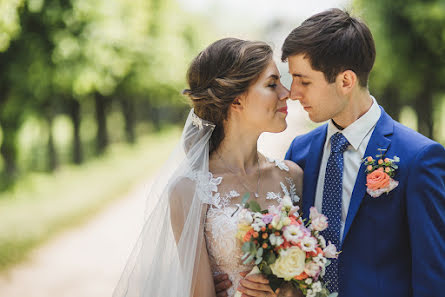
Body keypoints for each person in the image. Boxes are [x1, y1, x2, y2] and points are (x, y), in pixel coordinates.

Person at [112, 37, 304, 297]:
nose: (287, 93)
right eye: (272, 84)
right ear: (236, 100)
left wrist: (288, 291)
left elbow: (307, 282)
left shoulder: (292, 176)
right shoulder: (189, 190)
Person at [281, 8, 445, 297]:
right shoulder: (300, 152)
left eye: (304, 81)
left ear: (346, 81)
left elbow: (432, 275)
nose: (293, 93)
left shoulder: (419, 158)